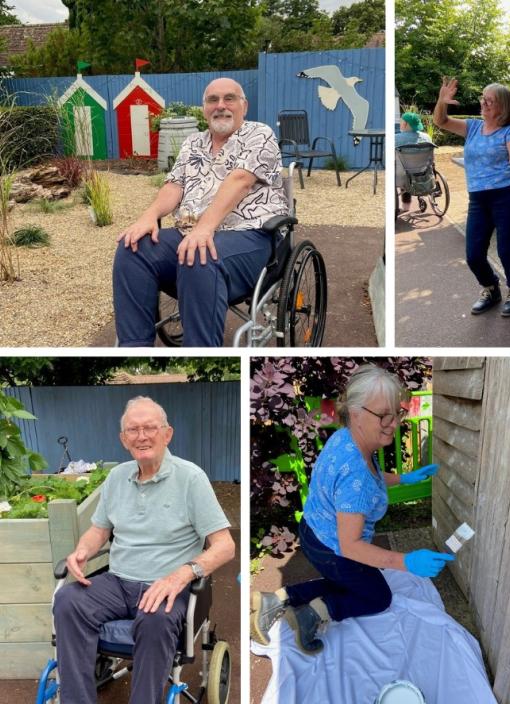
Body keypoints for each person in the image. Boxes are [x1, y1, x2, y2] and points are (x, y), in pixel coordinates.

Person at [251, 364, 453, 654]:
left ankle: (279, 598)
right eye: (384, 415)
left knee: (356, 582)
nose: (394, 422)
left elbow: (367, 480)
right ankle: (313, 613)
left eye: (398, 413)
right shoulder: (356, 471)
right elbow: (350, 547)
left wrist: (403, 478)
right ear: (356, 412)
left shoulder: (346, 438)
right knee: (377, 596)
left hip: (313, 530)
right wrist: (406, 561)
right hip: (332, 547)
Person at [52, 396, 235, 704]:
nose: (142, 436)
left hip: (166, 586)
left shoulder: (191, 478)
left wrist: (182, 575)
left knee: (155, 620)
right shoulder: (116, 477)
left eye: (150, 427)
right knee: (67, 600)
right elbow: (100, 530)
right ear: (124, 440)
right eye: (133, 430)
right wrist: (83, 549)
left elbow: (225, 546)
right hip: (118, 581)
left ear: (167, 434)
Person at [113, 77, 288, 347]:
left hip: (252, 235)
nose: (221, 105)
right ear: (204, 108)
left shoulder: (259, 134)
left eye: (229, 98)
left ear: (244, 105)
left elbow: (240, 181)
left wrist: (205, 228)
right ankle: (134, 348)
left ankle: (199, 351)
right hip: (191, 232)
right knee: (132, 247)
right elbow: (174, 186)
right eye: (212, 100)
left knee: (200, 253)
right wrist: (148, 216)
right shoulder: (193, 143)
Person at [433, 77, 510, 317]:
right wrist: (442, 101)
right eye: (482, 98)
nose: (483, 103)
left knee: (506, 250)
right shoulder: (473, 127)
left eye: (489, 101)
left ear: (502, 108)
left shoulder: (509, 131)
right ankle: (491, 288)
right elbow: (440, 121)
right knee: (474, 254)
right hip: (479, 199)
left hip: (508, 195)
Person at [396, 111, 435, 211]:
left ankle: (405, 207)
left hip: (403, 177)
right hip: (424, 174)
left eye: (401, 122)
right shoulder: (427, 137)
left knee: (400, 169)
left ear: (405, 124)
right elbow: (432, 159)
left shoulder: (396, 139)